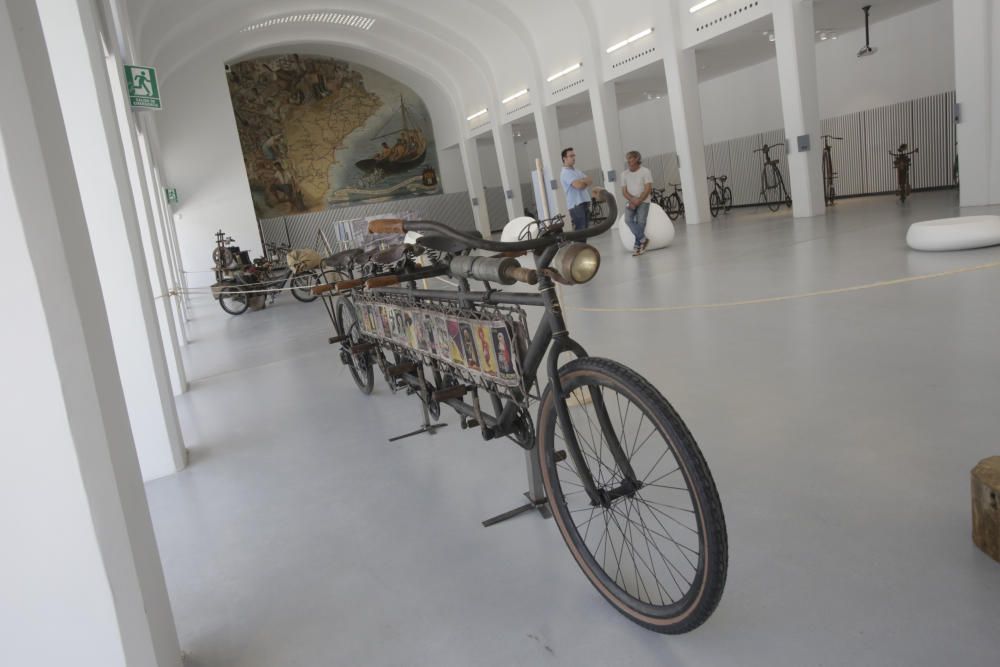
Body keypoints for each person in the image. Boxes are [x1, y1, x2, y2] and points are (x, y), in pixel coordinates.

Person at [621, 150, 652, 256]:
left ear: (637, 159)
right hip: (631, 201)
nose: (628, 161)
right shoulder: (624, 174)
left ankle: (637, 246)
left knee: (641, 222)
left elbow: (648, 188)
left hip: (644, 201)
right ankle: (643, 240)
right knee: (628, 220)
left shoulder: (645, 171)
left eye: (630, 158)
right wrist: (633, 200)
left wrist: (639, 200)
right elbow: (624, 192)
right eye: (627, 158)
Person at [560, 147, 592, 231]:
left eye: (574, 155)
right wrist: (583, 182)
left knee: (585, 231)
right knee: (581, 231)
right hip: (576, 206)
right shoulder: (565, 173)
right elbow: (579, 185)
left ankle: (582, 244)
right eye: (571, 156)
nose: (574, 158)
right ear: (564, 158)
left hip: (584, 203)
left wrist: (582, 182)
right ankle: (579, 244)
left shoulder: (577, 171)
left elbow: (590, 180)